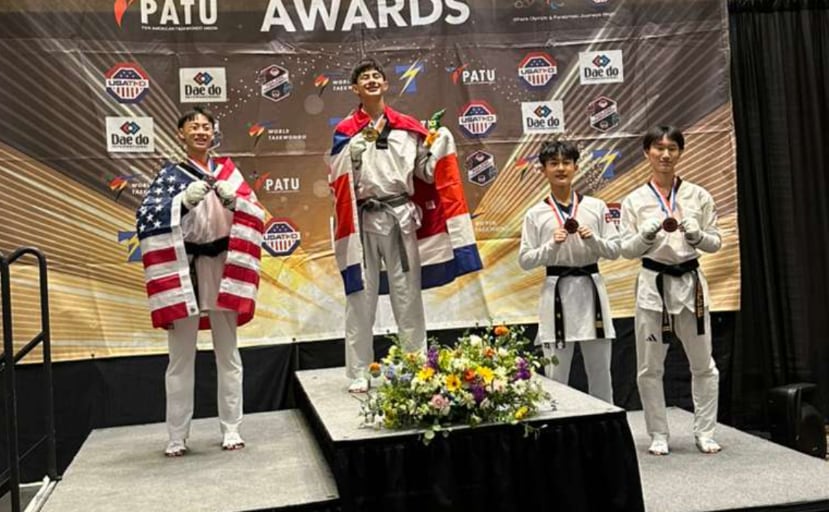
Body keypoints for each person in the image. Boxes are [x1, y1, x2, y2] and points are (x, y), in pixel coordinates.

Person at [327, 58, 481, 393]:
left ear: (385, 85)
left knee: (407, 296)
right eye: (363, 77)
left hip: (400, 216)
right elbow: (335, 177)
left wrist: (437, 147)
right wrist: (350, 153)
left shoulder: (408, 127)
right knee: (360, 297)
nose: (371, 80)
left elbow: (425, 175)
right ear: (354, 89)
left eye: (376, 77)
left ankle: (414, 367)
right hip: (363, 219)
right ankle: (358, 372)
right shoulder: (345, 132)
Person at [136, 107, 265, 456]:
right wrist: (180, 203)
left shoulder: (229, 172)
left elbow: (257, 214)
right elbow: (146, 220)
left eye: (206, 126)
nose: (200, 131)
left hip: (223, 267)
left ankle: (233, 428)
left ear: (213, 133)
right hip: (185, 269)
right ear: (181, 134)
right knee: (180, 358)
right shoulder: (170, 177)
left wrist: (234, 200)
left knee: (229, 353)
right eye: (193, 126)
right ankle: (177, 436)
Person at [620, 125, 722, 455]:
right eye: (658, 148)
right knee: (650, 368)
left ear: (680, 152)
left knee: (704, 365)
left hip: (692, 286)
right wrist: (646, 235)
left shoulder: (698, 195)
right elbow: (626, 249)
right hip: (654, 287)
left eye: (672, 148)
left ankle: (705, 432)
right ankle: (658, 434)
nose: (665, 154)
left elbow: (716, 243)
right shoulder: (635, 200)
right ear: (647, 152)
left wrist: (697, 236)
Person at [518, 140, 619, 404]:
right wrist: (551, 245)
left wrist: (594, 241)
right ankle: (557, 433)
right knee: (555, 375)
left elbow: (615, 249)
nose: (560, 168)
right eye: (553, 163)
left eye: (566, 163)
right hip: (556, 294)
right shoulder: (535, 213)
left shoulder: (596, 207)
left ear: (576, 167)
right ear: (543, 170)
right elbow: (526, 260)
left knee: (601, 374)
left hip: (592, 292)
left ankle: (604, 430)